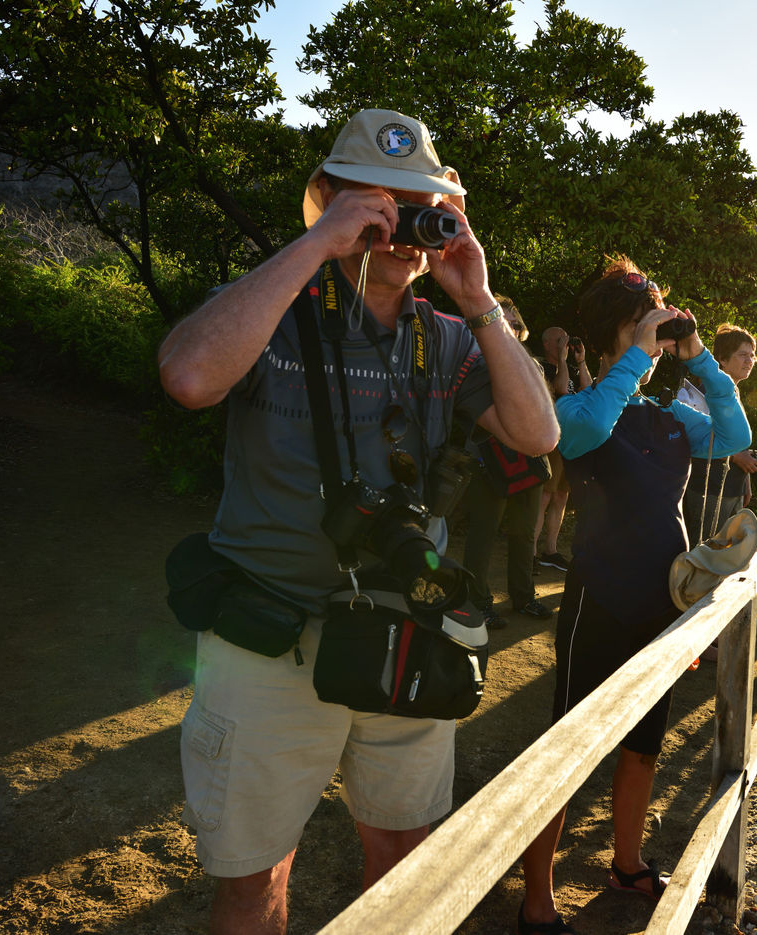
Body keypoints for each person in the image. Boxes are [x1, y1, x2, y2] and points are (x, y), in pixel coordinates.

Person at [157, 108, 557, 935]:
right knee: (251, 877)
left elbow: (537, 434)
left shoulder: (446, 339)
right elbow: (190, 375)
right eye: (382, 203)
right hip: (270, 638)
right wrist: (316, 245)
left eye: (423, 205)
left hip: (406, 633)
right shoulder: (270, 310)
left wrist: (478, 297)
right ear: (334, 200)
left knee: (407, 856)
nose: (402, 226)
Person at [518, 257, 750, 935]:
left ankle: (626, 861)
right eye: (639, 322)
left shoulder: (668, 415)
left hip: (661, 597)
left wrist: (700, 356)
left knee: (644, 741)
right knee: (565, 747)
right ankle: (537, 890)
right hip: (599, 597)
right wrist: (637, 356)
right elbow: (582, 435)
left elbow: (734, 438)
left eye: (658, 321)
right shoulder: (582, 408)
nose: (655, 335)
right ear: (610, 334)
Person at [461, 297, 555, 628]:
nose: (510, 327)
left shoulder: (534, 365)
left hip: (528, 461)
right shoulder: (473, 362)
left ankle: (523, 597)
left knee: (525, 533)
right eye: (502, 321)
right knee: (483, 533)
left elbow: (545, 414)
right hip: (488, 461)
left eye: (514, 323)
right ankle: (478, 602)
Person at [681, 323, 757, 545]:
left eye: (752, 356)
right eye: (743, 355)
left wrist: (744, 480)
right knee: (705, 552)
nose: (749, 361)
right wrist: (737, 456)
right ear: (722, 361)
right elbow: (691, 438)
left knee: (726, 552)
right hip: (707, 488)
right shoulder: (701, 394)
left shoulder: (733, 393)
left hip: (731, 487)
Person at [533, 326, 591, 572]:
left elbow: (588, 391)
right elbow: (560, 389)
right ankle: (531, 551)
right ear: (547, 344)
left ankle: (551, 550)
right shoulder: (541, 367)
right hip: (550, 437)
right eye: (560, 340)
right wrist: (564, 362)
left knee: (561, 495)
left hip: (571, 439)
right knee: (544, 495)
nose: (564, 343)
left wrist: (582, 361)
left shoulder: (574, 368)